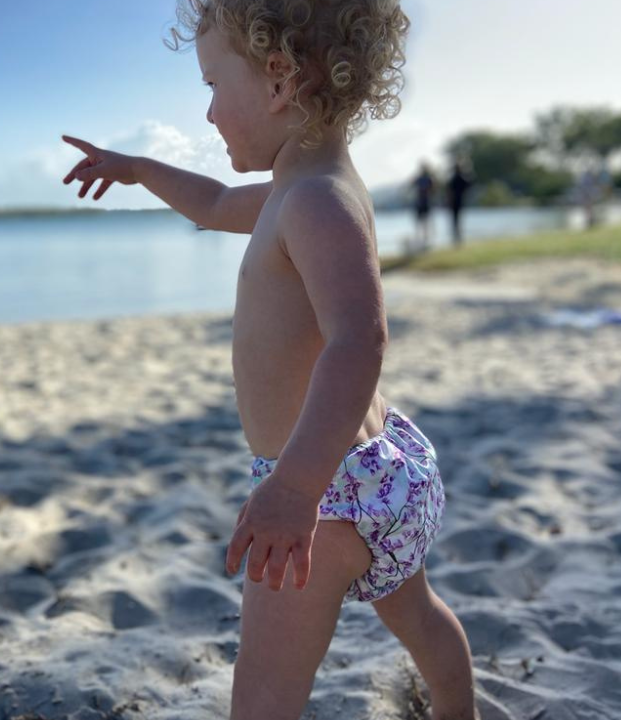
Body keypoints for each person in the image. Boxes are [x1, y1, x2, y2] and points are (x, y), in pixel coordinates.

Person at [61, 1, 478, 718]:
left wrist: (293, 489)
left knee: (264, 692)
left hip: (321, 490)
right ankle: (457, 711)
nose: (211, 114)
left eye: (213, 86)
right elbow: (218, 201)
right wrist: (138, 169)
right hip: (374, 472)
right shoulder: (311, 186)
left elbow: (360, 341)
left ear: (280, 78)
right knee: (418, 614)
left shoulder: (312, 201)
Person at [447, 161, 471, 246]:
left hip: (455, 201)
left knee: (455, 219)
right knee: (458, 219)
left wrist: (449, 201)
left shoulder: (454, 178)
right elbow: (469, 184)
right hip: (460, 201)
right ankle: (458, 237)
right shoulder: (461, 178)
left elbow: (449, 191)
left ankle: (456, 237)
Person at [411, 161, 435, 251]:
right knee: (419, 223)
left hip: (426, 203)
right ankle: (419, 241)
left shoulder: (429, 179)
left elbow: (433, 189)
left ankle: (426, 241)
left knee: (426, 223)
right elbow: (412, 185)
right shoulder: (419, 179)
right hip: (419, 204)